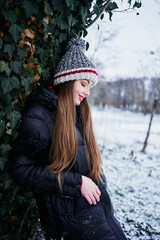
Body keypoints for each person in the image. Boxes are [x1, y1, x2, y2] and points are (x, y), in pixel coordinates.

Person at [10, 36, 127, 240]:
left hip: (93, 211)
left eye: (89, 86)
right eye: (83, 84)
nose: (87, 92)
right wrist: (77, 183)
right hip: (69, 220)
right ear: (67, 80)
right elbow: (21, 170)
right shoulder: (41, 116)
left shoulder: (77, 113)